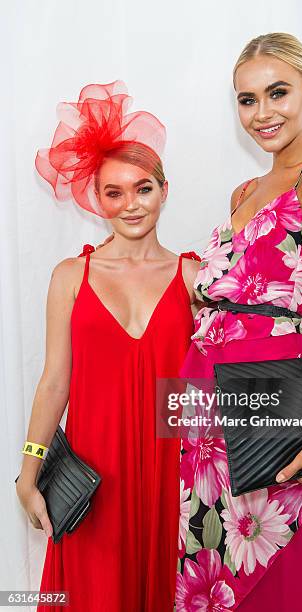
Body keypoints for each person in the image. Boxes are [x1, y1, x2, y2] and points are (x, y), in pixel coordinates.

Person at [174, 33, 302, 611]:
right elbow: (233, 290)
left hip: (273, 387)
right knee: (212, 561)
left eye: (277, 93)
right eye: (247, 99)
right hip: (204, 396)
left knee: (274, 555)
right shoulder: (244, 192)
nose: (262, 113)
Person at [15, 80, 201, 611]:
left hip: (172, 472)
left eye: (143, 188)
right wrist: (29, 474)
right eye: (113, 193)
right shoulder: (71, 276)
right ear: (96, 200)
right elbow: (54, 381)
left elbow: (231, 368)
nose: (130, 204)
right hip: (96, 479)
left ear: (164, 190)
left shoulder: (194, 276)